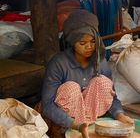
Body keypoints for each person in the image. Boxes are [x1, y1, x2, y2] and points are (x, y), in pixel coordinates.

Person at [41, 10, 134, 138]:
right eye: (82, 43)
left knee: (102, 82)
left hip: (92, 118)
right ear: (72, 43)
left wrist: (120, 115)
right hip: (65, 121)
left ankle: (89, 124)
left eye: (93, 41)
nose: (89, 47)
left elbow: (112, 97)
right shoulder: (58, 63)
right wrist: (75, 124)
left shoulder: (100, 61)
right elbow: (47, 105)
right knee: (71, 87)